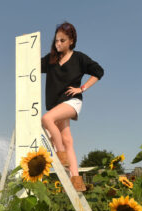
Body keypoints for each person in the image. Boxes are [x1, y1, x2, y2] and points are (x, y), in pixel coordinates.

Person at [41, 22, 104, 191]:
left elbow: (99, 71)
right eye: (56, 41)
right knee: (68, 140)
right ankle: (76, 180)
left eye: (62, 40)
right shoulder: (51, 60)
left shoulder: (79, 58)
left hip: (71, 102)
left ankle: (60, 154)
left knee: (46, 119)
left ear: (71, 41)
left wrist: (82, 88)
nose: (58, 44)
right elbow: (33, 64)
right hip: (56, 106)